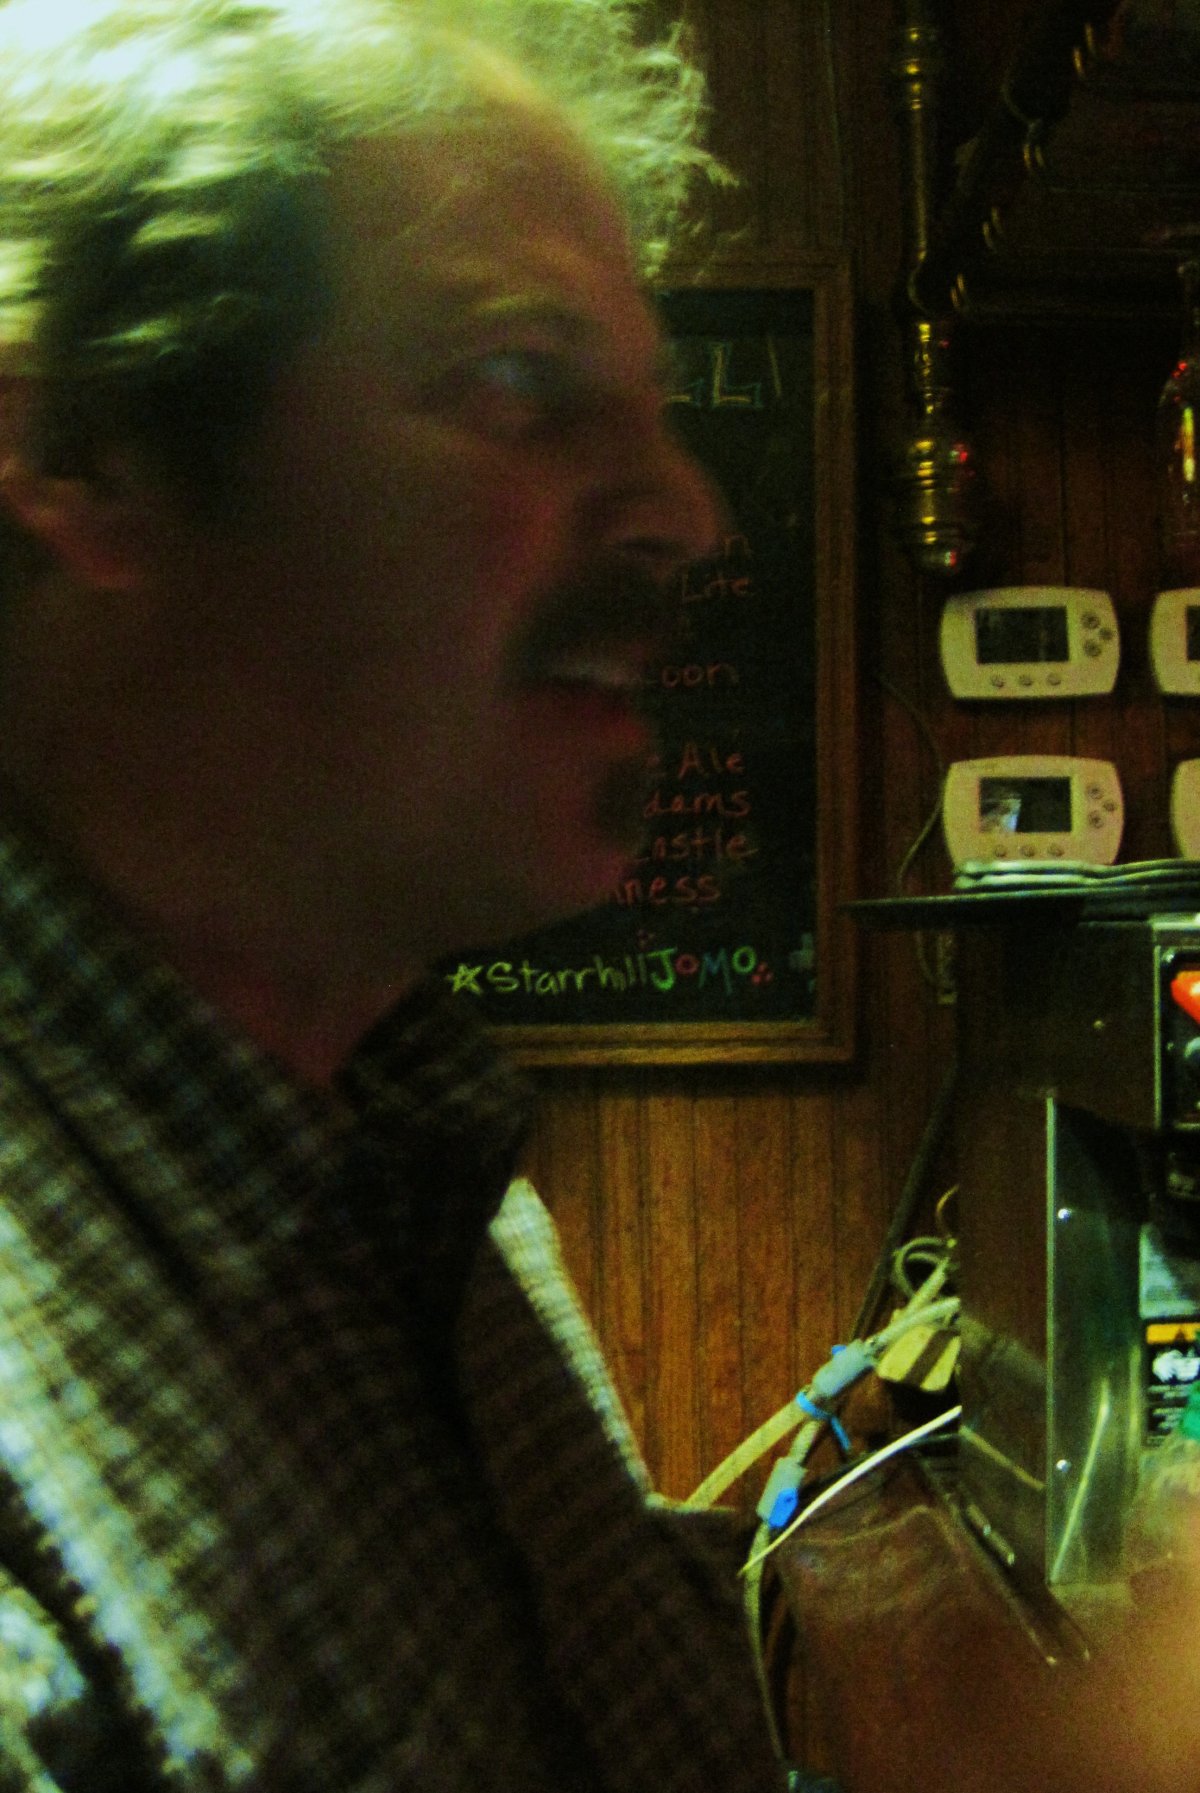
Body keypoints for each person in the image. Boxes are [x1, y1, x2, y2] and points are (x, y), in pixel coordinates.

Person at [0, 1, 790, 1787]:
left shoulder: (413, 1167)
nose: (685, 510)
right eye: (518, 382)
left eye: (652, 411)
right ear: (83, 457)